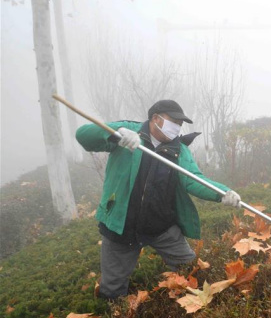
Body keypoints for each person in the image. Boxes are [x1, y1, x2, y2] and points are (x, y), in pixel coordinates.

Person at [76, 99, 241, 300]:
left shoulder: (179, 149)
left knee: (190, 269)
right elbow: (84, 135)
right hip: (122, 224)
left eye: (180, 125)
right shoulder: (128, 132)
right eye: (174, 122)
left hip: (161, 225)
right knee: (112, 289)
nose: (177, 128)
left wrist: (222, 193)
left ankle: (194, 305)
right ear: (156, 118)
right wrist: (115, 134)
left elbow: (194, 180)